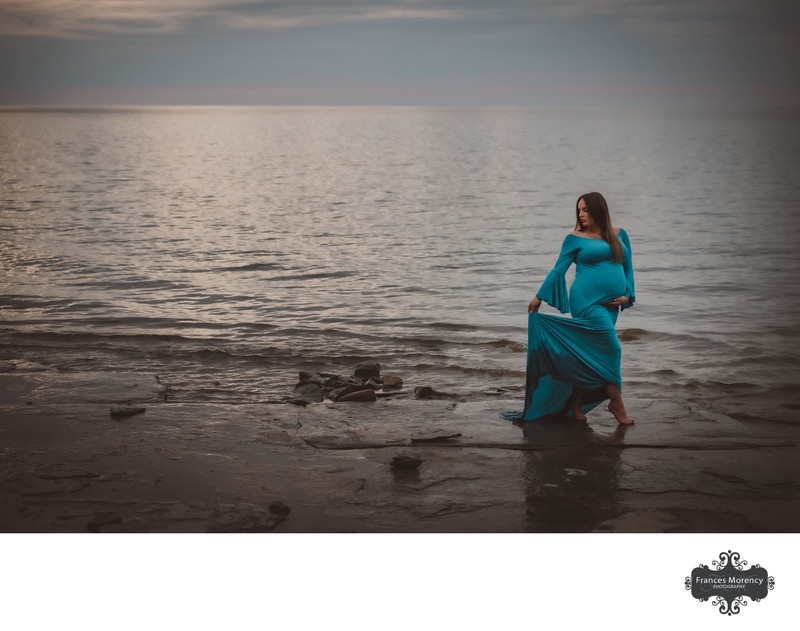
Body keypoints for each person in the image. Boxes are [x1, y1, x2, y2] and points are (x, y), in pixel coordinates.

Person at [521, 192, 635, 425]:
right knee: (613, 349)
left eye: (585, 210)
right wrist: (539, 297)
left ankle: (575, 402)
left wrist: (628, 295)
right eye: (579, 210)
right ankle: (617, 404)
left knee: (588, 354)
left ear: (598, 210)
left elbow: (628, 269)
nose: (581, 215)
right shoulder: (574, 238)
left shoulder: (620, 234)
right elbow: (558, 270)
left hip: (612, 305)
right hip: (586, 302)